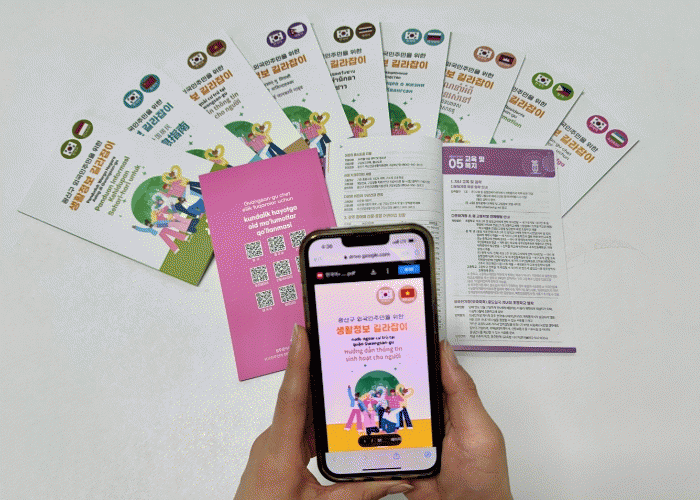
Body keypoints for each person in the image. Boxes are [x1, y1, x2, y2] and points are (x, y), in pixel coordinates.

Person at [234, 325, 512, 500]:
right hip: (371, 421)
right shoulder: (365, 403)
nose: (376, 394)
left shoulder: (391, 399)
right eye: (372, 393)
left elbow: (397, 399)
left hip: (394, 420)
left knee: (393, 419)